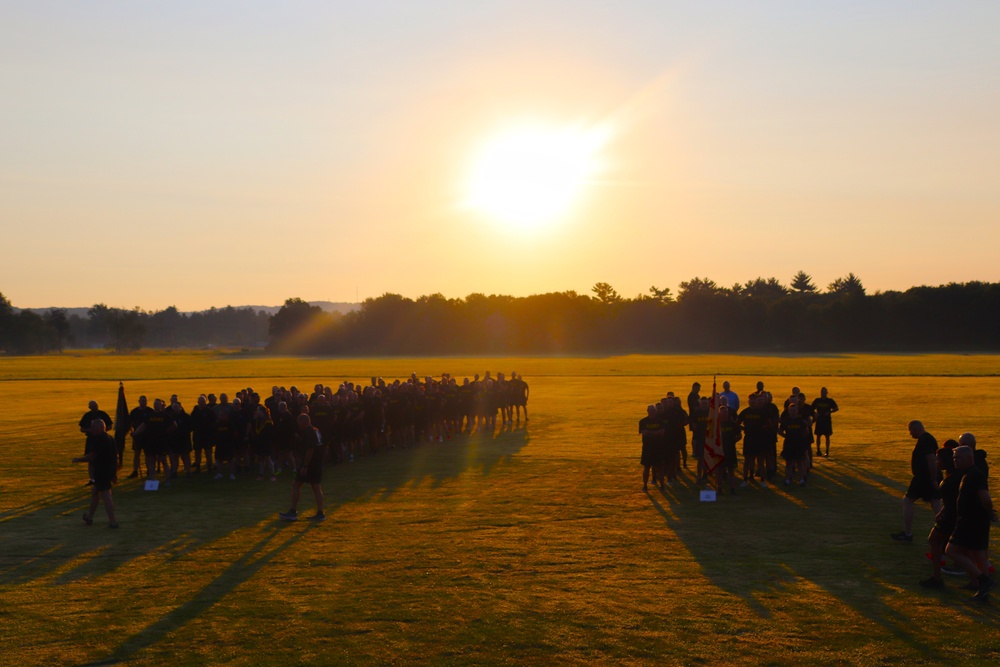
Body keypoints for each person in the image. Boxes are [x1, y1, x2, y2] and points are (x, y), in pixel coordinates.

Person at [945, 446, 996, 601]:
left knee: (951, 551)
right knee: (978, 554)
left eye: (958, 457)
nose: (955, 460)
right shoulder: (969, 474)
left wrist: (989, 512)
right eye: (954, 457)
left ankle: (983, 580)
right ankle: (982, 589)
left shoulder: (974, 475)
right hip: (975, 521)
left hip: (970, 522)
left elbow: (985, 498)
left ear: (969, 458)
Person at [892, 421, 941, 542]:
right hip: (928, 476)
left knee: (907, 501)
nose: (910, 433)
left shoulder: (925, 440)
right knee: (936, 504)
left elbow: (931, 459)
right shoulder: (927, 438)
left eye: (910, 430)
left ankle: (907, 533)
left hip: (924, 477)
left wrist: (933, 478)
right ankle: (946, 532)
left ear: (916, 429)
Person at [920, 448, 960, 588]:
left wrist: (942, 513)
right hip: (954, 515)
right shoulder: (956, 476)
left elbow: (952, 502)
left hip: (950, 517)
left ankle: (937, 577)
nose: (936, 462)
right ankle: (979, 577)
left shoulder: (950, 480)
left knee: (935, 540)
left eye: (938, 459)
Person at [72, 420, 119, 528]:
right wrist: (114, 472)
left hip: (101, 470)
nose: (91, 429)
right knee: (95, 493)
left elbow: (92, 456)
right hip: (109, 470)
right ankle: (89, 517)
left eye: (93, 427)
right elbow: (116, 457)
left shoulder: (98, 440)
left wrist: (78, 460)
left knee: (106, 495)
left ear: (98, 428)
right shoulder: (110, 438)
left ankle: (113, 522)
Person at [280, 414, 326, 521]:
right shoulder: (316, 430)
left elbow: (310, 450)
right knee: (316, 487)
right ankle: (320, 512)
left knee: (296, 484)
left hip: (310, 462)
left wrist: (305, 466)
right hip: (317, 462)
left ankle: (293, 511)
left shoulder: (308, 432)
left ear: (303, 422)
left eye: (299, 423)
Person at [78, 401, 113, 486]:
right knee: (90, 459)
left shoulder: (103, 414)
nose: (94, 407)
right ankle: (92, 479)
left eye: (95, 405)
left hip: (102, 439)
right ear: (89, 407)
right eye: (92, 406)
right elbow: (82, 429)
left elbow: (110, 426)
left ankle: (106, 476)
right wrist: (90, 430)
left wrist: (101, 431)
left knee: (103, 458)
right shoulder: (87, 416)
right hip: (91, 439)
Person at [639, 405, 666, 491]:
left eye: (654, 411)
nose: (652, 412)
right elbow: (644, 432)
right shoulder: (643, 421)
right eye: (651, 411)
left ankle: (662, 485)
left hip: (658, 448)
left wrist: (650, 433)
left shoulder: (660, 421)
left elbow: (662, 432)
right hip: (647, 448)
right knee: (647, 467)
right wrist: (655, 433)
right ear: (647, 411)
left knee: (660, 467)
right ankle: (645, 485)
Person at [811, 387, 839, 457]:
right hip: (819, 420)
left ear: (827, 393)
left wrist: (829, 412)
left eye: (824, 392)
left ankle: (827, 451)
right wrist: (815, 413)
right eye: (822, 392)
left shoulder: (830, 401)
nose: (823, 393)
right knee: (818, 436)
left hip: (827, 421)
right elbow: (811, 409)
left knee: (827, 436)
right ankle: (818, 450)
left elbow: (836, 408)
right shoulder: (817, 400)